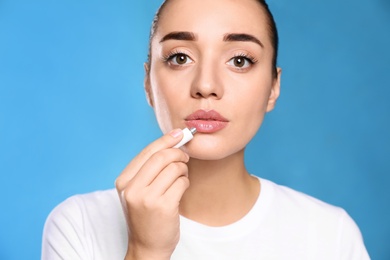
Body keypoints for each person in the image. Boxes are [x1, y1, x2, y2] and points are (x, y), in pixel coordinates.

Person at [42, 0, 370, 259]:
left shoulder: (330, 233)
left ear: (273, 87)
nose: (206, 86)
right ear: (147, 84)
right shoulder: (78, 224)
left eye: (240, 60)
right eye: (180, 58)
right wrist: (146, 252)